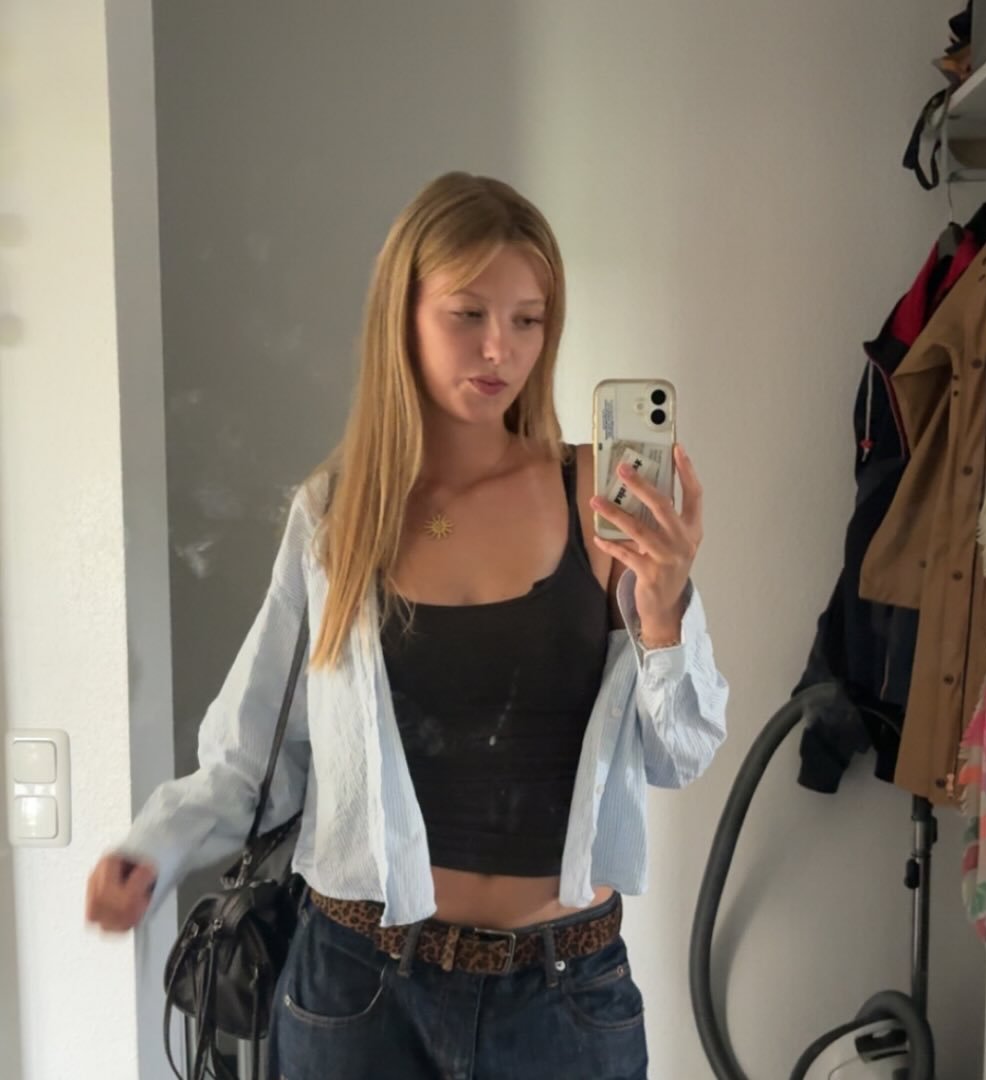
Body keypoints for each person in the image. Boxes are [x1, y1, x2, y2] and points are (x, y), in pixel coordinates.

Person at [85, 171, 729, 1079]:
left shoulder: (598, 496)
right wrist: (154, 849)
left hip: (564, 997)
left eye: (529, 319)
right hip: (358, 993)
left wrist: (665, 612)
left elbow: (681, 752)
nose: (500, 347)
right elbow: (256, 754)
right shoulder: (336, 514)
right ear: (404, 312)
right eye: (468, 313)